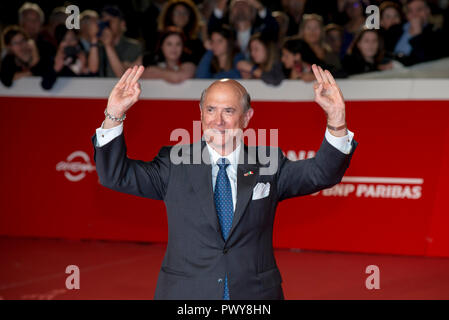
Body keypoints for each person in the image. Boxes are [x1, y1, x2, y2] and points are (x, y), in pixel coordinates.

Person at [91, 62, 357, 300]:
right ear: (200, 113)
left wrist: (336, 119)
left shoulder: (268, 163)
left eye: (228, 111)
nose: (217, 121)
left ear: (247, 117)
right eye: (211, 110)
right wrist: (113, 114)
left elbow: (323, 173)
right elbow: (115, 175)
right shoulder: (174, 162)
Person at [208, 0, 279, 57]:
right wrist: (221, 5)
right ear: (231, 12)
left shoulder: (261, 31)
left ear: (252, 11)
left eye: (244, 4)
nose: (240, 7)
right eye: (236, 5)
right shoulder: (228, 33)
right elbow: (212, 28)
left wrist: (260, 7)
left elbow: (274, 27)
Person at [383, 0, 443, 66]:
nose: (414, 14)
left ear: (427, 11)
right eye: (410, 11)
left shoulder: (436, 33)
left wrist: (417, 35)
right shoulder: (396, 28)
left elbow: (427, 62)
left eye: (419, 10)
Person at [98, 5, 143, 77]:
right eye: (103, 22)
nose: (106, 26)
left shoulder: (134, 47)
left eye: (110, 21)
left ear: (122, 24)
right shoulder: (97, 47)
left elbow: (122, 75)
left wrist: (108, 45)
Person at [157, 0, 205, 64]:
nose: (181, 15)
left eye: (185, 12)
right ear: (170, 15)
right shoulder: (159, 38)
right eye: (177, 12)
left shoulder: (196, 43)